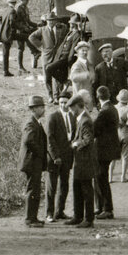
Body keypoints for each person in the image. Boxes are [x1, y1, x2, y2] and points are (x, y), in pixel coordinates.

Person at [19, 96, 49, 227]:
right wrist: (41, 153)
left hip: (33, 162)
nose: (43, 109)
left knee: (35, 189)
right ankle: (29, 219)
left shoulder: (34, 122)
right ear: (34, 108)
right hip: (32, 162)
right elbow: (29, 140)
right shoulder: (31, 123)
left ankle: (33, 217)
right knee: (32, 189)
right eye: (41, 107)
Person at [44, 92, 73, 223]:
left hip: (67, 157)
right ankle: (49, 213)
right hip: (54, 158)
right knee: (52, 186)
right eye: (61, 102)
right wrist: (55, 156)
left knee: (64, 185)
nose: (63, 105)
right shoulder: (53, 117)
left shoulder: (72, 117)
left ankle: (59, 211)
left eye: (65, 102)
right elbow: (49, 138)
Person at [93, 87, 121, 219]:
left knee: (101, 178)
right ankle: (101, 207)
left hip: (103, 150)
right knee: (100, 177)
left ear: (97, 97)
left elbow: (95, 129)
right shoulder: (112, 108)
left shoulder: (104, 111)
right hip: (110, 149)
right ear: (109, 95)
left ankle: (107, 208)